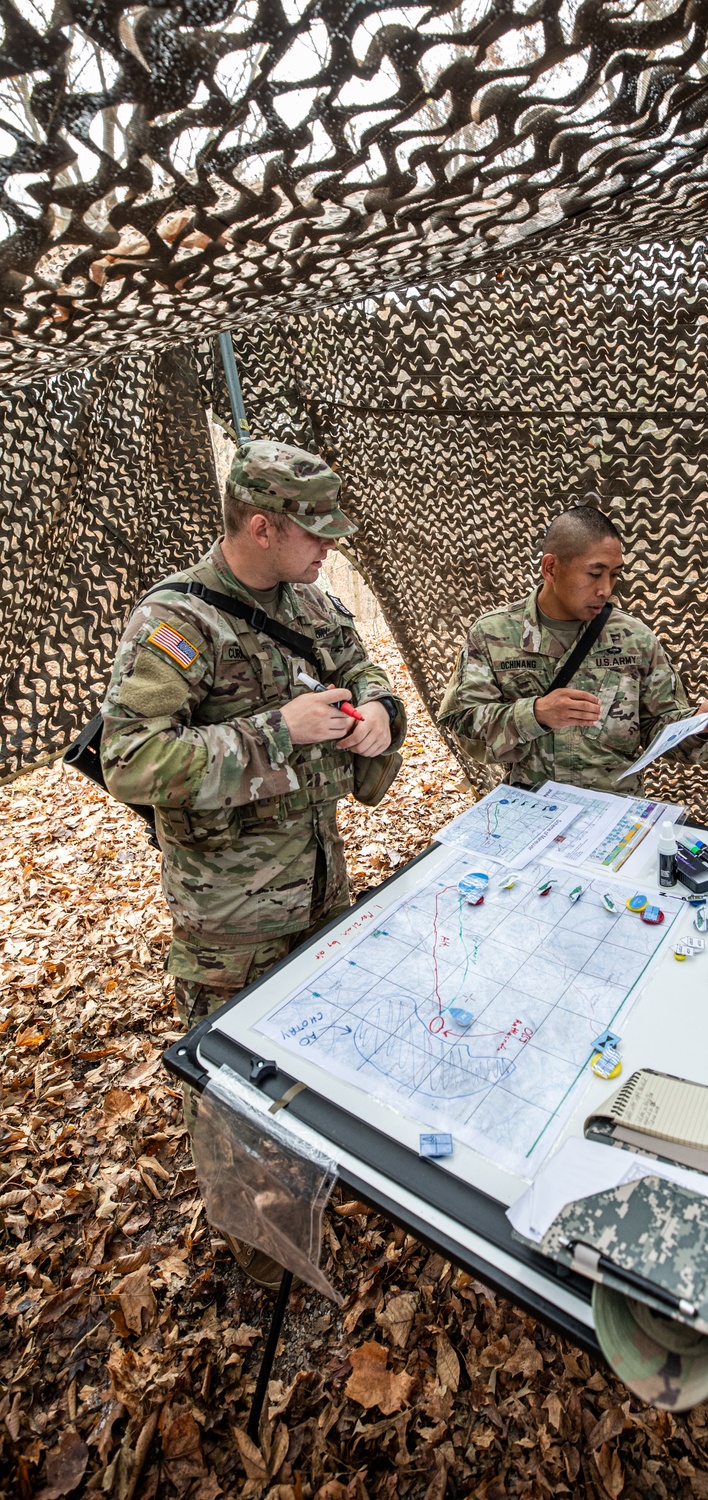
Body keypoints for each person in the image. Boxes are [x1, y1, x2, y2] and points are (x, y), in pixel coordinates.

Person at [102, 440, 406, 1283]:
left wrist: (383, 711)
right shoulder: (178, 622)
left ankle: (305, 1196)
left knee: (314, 1063)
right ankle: (259, 1246)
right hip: (230, 922)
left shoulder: (309, 605)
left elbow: (365, 668)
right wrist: (280, 731)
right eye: (316, 536)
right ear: (263, 527)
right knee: (235, 1094)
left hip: (320, 893)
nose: (330, 551)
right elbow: (132, 759)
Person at [438, 503, 708, 791]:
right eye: (594, 574)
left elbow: (659, 730)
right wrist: (536, 714)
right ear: (551, 568)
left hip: (614, 811)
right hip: (532, 808)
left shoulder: (634, 639)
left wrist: (700, 724)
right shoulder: (494, 634)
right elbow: (463, 725)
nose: (605, 589)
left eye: (614, 574)